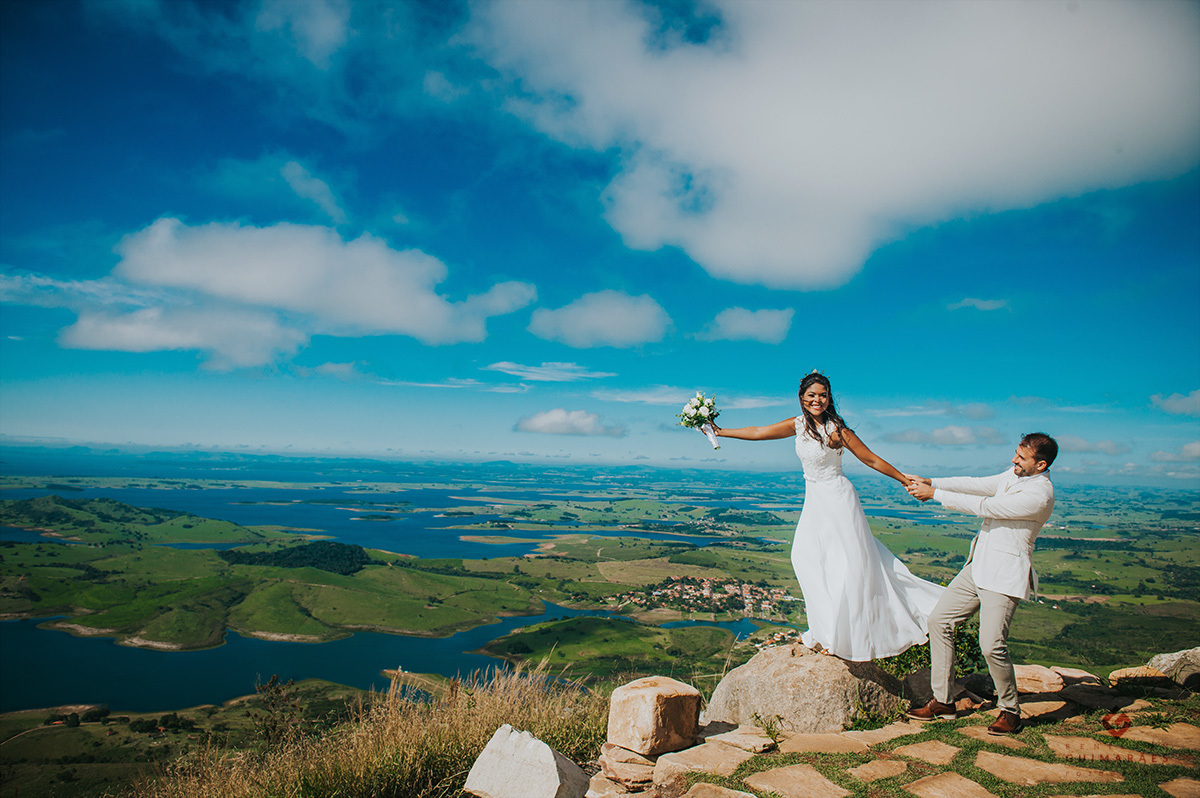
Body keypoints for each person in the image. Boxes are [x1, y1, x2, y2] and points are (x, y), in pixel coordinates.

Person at [712, 372, 944, 662]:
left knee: (849, 564)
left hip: (838, 498)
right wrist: (721, 432)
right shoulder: (798, 425)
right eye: (811, 395)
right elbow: (758, 432)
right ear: (801, 399)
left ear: (829, 397)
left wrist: (902, 479)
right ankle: (826, 629)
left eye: (822, 395)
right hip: (815, 499)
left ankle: (846, 635)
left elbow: (870, 458)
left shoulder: (838, 430)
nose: (816, 400)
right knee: (804, 557)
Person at [904, 433, 1057, 735]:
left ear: (1040, 465)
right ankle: (943, 701)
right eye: (1015, 453)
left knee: (991, 645)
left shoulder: (1040, 494)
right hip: (978, 566)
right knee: (939, 621)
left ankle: (1010, 711)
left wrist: (933, 494)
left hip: (1004, 575)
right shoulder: (1013, 476)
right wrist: (932, 480)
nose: (1014, 460)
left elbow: (987, 506)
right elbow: (977, 483)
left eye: (1021, 457)